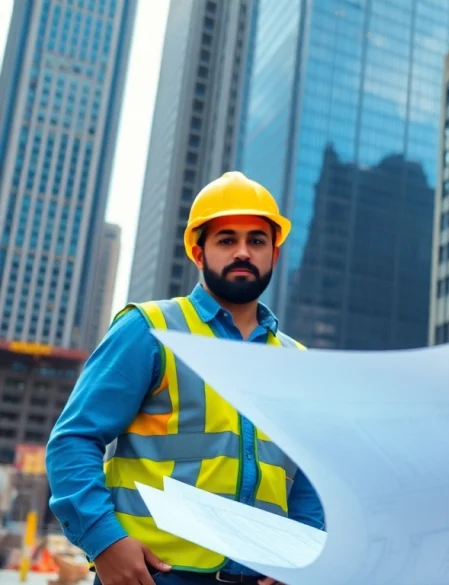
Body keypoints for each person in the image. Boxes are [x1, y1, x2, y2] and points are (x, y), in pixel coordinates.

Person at [47, 172, 325, 585]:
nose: (243, 252)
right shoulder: (150, 329)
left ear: (275, 255)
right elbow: (73, 442)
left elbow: (309, 477)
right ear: (198, 252)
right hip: (155, 575)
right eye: (227, 240)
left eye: (257, 241)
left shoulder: (297, 361)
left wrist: (306, 557)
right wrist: (104, 541)